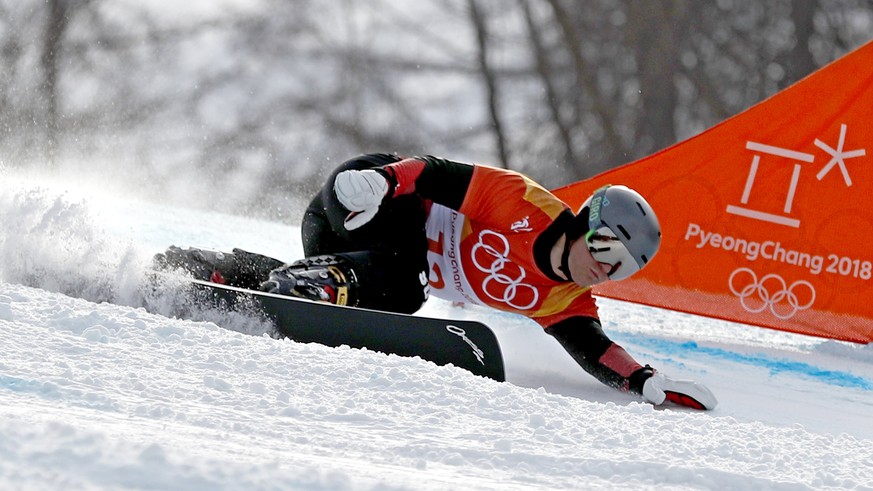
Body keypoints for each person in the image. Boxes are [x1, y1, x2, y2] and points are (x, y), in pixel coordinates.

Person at [161, 153, 717, 410]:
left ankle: (217, 271)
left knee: (398, 289)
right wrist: (378, 182)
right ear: (585, 223)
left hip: (354, 253)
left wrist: (645, 381)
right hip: (366, 202)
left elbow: (594, 350)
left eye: (623, 267)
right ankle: (310, 286)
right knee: (406, 287)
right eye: (604, 248)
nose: (604, 267)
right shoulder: (523, 203)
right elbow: (433, 173)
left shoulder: (566, 298)